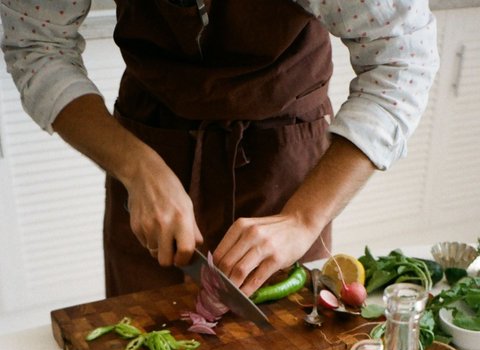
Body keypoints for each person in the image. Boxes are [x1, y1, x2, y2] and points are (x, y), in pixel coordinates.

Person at [0, 0, 439, 300]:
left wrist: (303, 218)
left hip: (282, 162)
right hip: (148, 144)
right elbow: (38, 47)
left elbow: (402, 60)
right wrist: (136, 167)